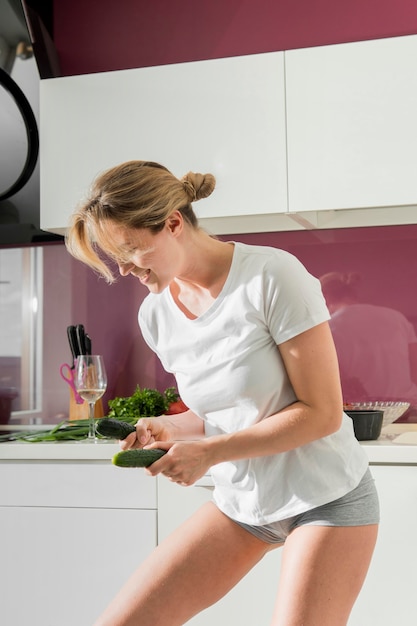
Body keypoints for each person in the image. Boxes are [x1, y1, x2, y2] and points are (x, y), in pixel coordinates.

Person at [66, 160, 379, 626]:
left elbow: (322, 413)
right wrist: (168, 427)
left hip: (326, 497)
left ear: (173, 223)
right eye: (117, 259)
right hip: (242, 504)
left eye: (132, 251)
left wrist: (208, 454)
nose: (127, 270)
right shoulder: (156, 315)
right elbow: (218, 411)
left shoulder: (271, 277)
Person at [320, 271, 417, 409]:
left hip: (362, 412)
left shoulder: (328, 329)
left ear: (325, 297)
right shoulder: (397, 318)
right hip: (407, 408)